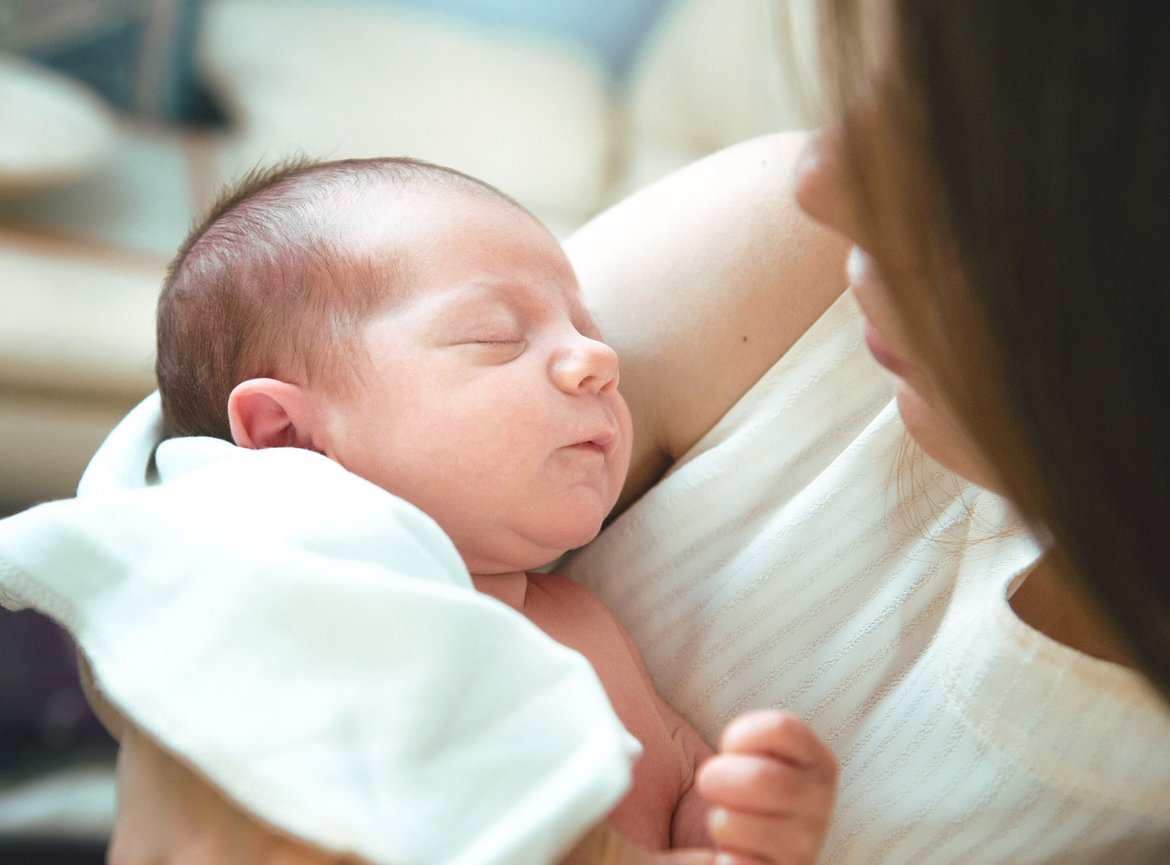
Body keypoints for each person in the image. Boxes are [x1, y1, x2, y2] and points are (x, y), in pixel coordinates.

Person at [71, 0, 1170, 862]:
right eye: (500, 337)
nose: (823, 175)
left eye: (959, 127)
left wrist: (736, 819)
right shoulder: (791, 270)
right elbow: (180, 473)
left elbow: (682, 807)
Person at [144, 154, 838, 864]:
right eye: (498, 336)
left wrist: (735, 814)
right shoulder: (324, 635)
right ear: (290, 437)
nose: (597, 358)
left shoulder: (584, 622)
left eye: (586, 327)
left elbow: (679, 778)